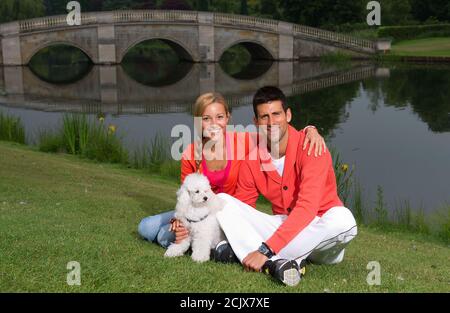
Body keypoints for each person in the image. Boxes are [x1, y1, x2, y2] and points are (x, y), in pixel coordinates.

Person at [209, 86, 358, 286]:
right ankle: (279, 264)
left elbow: (307, 208)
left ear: (288, 115)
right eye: (264, 117)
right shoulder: (252, 161)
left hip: (321, 232)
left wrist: (265, 249)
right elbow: (243, 208)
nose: (271, 123)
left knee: (344, 219)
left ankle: (257, 255)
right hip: (285, 226)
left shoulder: (312, 147)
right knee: (223, 202)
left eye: (276, 114)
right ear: (256, 122)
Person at [137, 92, 327, 249]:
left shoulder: (244, 141)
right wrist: (180, 220)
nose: (213, 124)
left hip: (228, 214)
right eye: (206, 118)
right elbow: (186, 197)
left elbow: (275, 130)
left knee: (163, 235)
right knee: (145, 227)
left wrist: (309, 130)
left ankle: (196, 243)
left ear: (228, 117)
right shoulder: (190, 153)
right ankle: (192, 239)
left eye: (219, 117)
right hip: (197, 212)